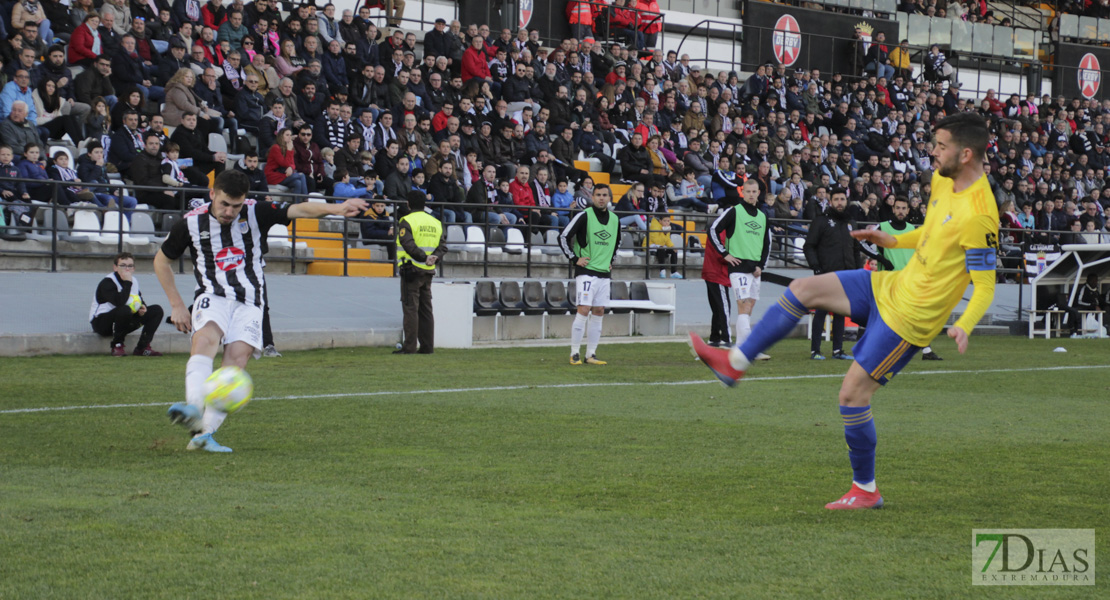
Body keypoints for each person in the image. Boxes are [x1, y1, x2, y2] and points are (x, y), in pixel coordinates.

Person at [690, 112, 999, 510]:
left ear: (967, 153)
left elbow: (985, 284)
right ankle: (734, 363)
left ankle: (866, 489)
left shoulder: (981, 213)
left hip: (911, 318)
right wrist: (893, 240)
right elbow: (935, 231)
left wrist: (966, 324)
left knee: (852, 397)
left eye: (941, 146)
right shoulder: (941, 180)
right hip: (890, 286)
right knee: (802, 289)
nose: (932, 152)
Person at [157, 171, 368, 453]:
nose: (230, 211)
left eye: (236, 205)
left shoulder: (257, 212)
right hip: (213, 294)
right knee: (205, 339)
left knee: (236, 364)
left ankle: (204, 435)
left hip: (250, 301)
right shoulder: (191, 223)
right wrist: (177, 305)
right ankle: (193, 406)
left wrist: (336, 208)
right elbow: (161, 261)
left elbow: (299, 208)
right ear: (212, 195)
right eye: (224, 204)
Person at [802, 187, 888, 360]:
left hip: (846, 275)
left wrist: (857, 270)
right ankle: (815, 350)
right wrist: (816, 267)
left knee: (841, 311)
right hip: (826, 274)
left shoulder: (850, 222)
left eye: (842, 199)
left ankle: (837, 350)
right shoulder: (821, 221)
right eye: (836, 199)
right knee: (821, 310)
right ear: (830, 201)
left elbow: (856, 248)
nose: (839, 203)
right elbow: (809, 246)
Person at [874, 196, 942, 361]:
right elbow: (862, 243)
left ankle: (925, 351)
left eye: (904, 208)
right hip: (889, 280)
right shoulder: (882, 227)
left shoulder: (912, 229)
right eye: (898, 208)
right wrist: (882, 259)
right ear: (893, 209)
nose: (901, 211)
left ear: (909, 210)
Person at [710, 179, 771, 359]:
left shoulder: (762, 216)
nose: (751, 194)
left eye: (754, 191)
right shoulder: (734, 211)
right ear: (742, 192)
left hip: (755, 269)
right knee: (743, 304)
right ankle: (749, 349)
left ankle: (741, 347)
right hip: (738, 268)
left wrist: (761, 265)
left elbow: (766, 243)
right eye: (748, 191)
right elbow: (713, 229)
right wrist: (724, 254)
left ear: (758, 193)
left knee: (749, 307)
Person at [558, 183, 618, 365]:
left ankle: (591, 354)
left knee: (599, 311)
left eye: (604, 195)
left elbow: (617, 243)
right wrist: (574, 258)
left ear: (609, 198)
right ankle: (574, 353)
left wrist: (611, 261)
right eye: (598, 194)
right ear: (592, 197)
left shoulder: (615, 220)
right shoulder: (584, 216)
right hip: (586, 272)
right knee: (584, 309)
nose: (601, 198)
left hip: (603, 273)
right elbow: (563, 236)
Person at [394, 191, 446, 355]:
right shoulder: (435, 222)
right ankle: (427, 347)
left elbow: (407, 244)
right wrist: (433, 258)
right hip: (428, 271)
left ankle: (409, 348)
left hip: (411, 270)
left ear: (408, 204)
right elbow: (443, 246)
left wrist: (423, 257)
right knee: (426, 310)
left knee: (410, 309)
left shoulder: (407, 221)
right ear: (425, 204)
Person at [90, 252, 164, 357]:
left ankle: (142, 348)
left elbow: (138, 300)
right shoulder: (108, 282)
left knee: (156, 310)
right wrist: (127, 283)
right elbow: (119, 302)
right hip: (101, 323)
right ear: (115, 267)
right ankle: (117, 345)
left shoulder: (134, 281)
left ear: (133, 268)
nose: (127, 269)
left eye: (130, 266)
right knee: (124, 309)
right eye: (123, 265)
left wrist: (142, 308)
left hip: (122, 321)